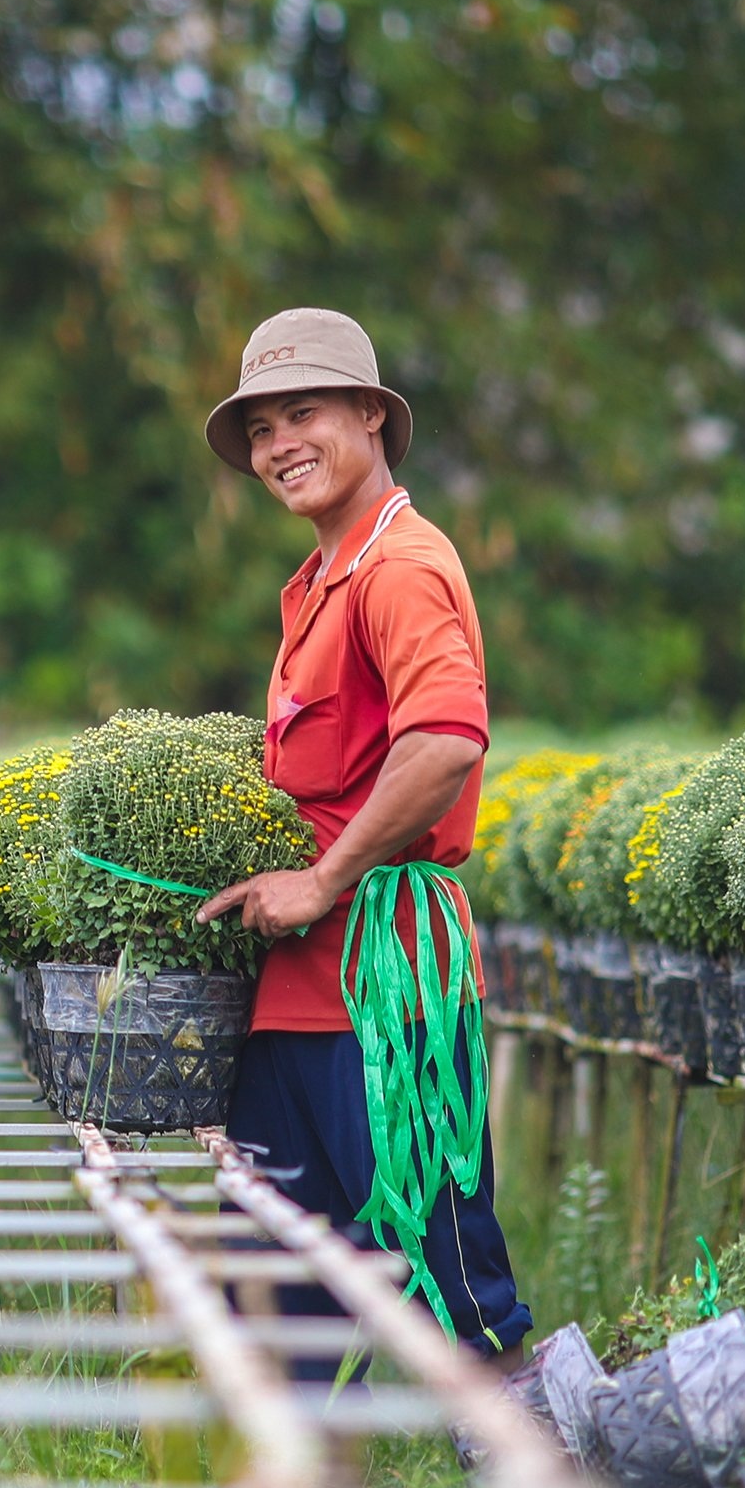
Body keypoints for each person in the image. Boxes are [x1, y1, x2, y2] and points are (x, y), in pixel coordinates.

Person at [189, 308, 532, 1370]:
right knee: (277, 1298)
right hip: (293, 1000)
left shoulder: (402, 566)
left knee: (457, 1298)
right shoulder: (314, 583)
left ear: (372, 417)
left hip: (384, 998)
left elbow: (445, 742)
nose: (279, 443)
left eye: (304, 412)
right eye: (260, 428)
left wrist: (324, 878)